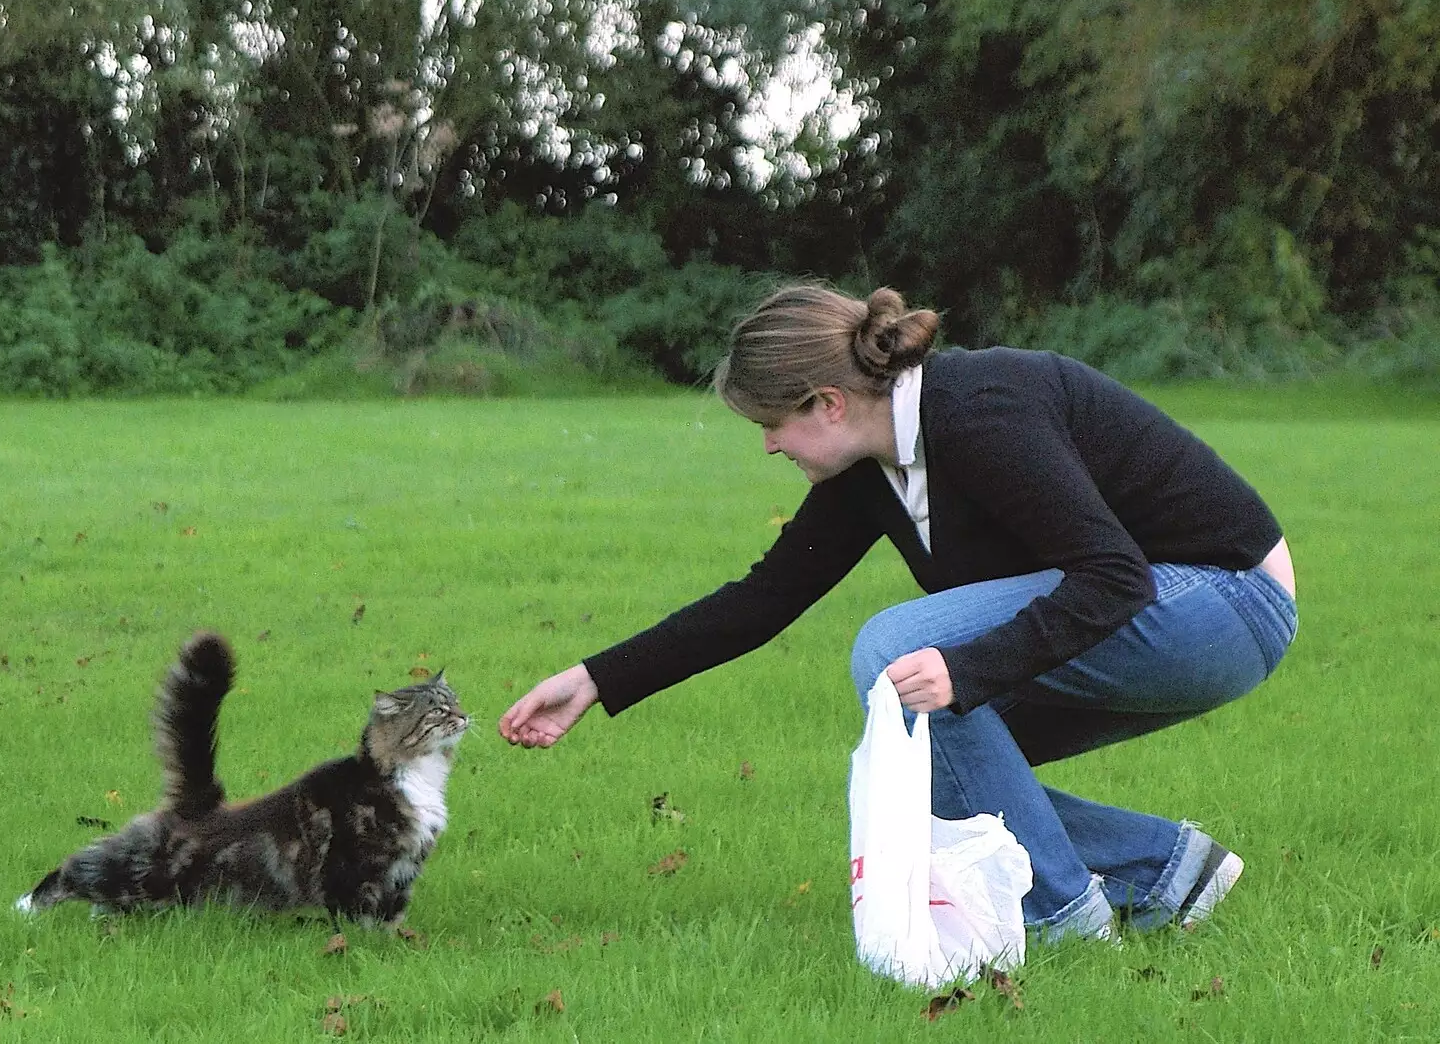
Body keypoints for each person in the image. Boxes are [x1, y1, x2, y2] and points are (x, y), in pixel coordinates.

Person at [498, 284, 1298, 941]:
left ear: (828, 402)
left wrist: (968, 668)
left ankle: (1062, 922)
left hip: (1225, 602)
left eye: (771, 424)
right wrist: (596, 679)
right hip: (1160, 610)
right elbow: (761, 602)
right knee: (907, 762)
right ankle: (1164, 872)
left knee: (896, 648)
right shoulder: (872, 467)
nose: (770, 447)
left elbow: (1113, 577)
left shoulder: (980, 413)